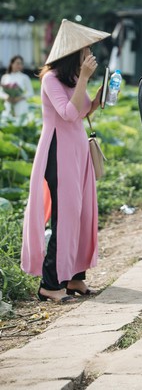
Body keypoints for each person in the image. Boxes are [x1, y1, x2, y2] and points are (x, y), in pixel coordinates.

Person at [21, 19, 110, 302]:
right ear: (74, 53)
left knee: (83, 214)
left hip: (78, 152)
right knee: (66, 218)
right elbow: (67, 114)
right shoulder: (50, 79)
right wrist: (84, 78)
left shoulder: (71, 79)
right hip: (58, 153)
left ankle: (74, 278)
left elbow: (80, 111)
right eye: (86, 50)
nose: (90, 55)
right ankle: (50, 284)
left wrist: (97, 99)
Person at [1, 55, 34, 120]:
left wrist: (20, 98)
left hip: (20, 105)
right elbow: (1, 92)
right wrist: (6, 97)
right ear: (12, 64)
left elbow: (31, 92)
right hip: (8, 105)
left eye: (21, 64)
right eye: (17, 63)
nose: (19, 65)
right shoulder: (5, 77)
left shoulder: (24, 77)